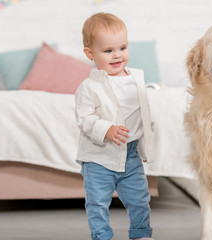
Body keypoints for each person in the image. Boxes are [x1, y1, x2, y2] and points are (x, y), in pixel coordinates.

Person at [75, 12, 155, 240]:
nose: (117, 56)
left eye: (122, 48)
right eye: (108, 51)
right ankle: (101, 235)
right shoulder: (89, 86)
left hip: (130, 154)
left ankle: (141, 234)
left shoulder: (136, 79)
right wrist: (107, 129)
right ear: (90, 54)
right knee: (97, 202)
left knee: (140, 199)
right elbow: (84, 118)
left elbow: (143, 116)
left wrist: (144, 147)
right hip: (99, 157)